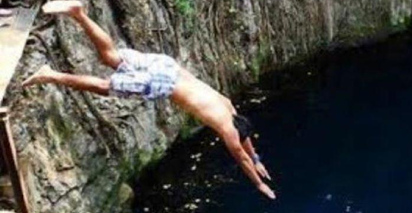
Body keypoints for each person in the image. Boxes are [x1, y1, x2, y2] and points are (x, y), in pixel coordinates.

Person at [23, 0, 276, 199]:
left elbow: (246, 142)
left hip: (168, 67)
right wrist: (258, 184)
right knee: (104, 86)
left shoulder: (227, 106)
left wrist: (257, 159)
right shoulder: (229, 131)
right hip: (161, 83)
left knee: (110, 58)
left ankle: (79, 13)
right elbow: (240, 154)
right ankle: (50, 74)